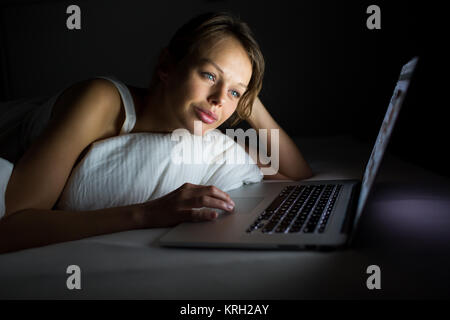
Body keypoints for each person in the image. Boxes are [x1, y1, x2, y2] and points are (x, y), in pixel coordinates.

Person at [0, 12, 312, 253]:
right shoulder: (99, 101)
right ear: (166, 66)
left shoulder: (201, 130)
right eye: (208, 75)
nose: (218, 99)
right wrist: (147, 214)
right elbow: (13, 224)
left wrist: (247, 99)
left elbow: (295, 173)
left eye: (233, 93)